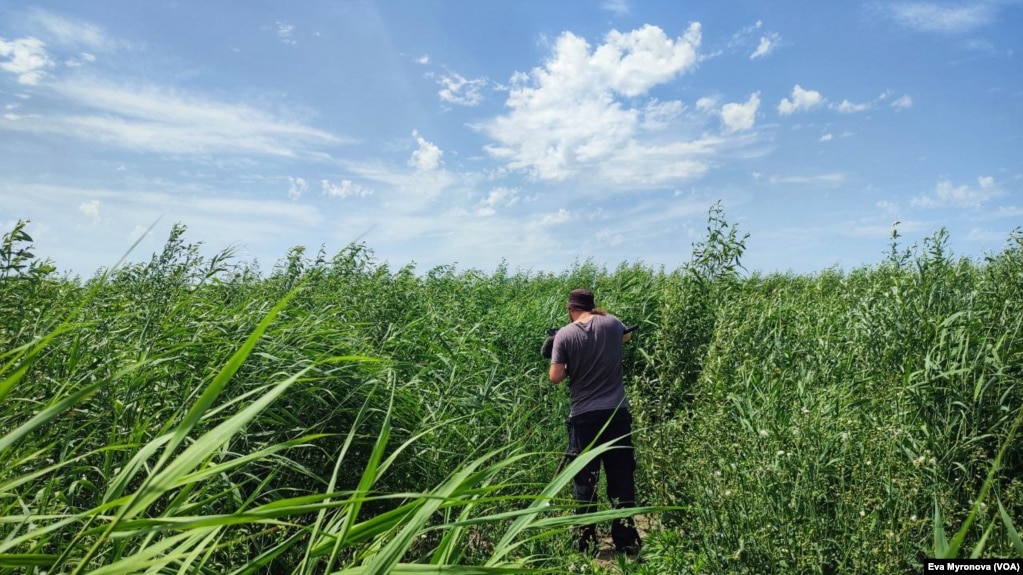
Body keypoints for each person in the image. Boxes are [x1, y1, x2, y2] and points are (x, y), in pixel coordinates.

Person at [545, 288, 641, 557]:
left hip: (585, 416)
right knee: (621, 476)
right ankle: (626, 541)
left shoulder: (564, 334)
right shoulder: (612, 323)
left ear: (569, 308)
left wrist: (559, 348)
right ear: (593, 305)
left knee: (585, 480)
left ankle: (585, 543)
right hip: (617, 413)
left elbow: (555, 377)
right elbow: (627, 336)